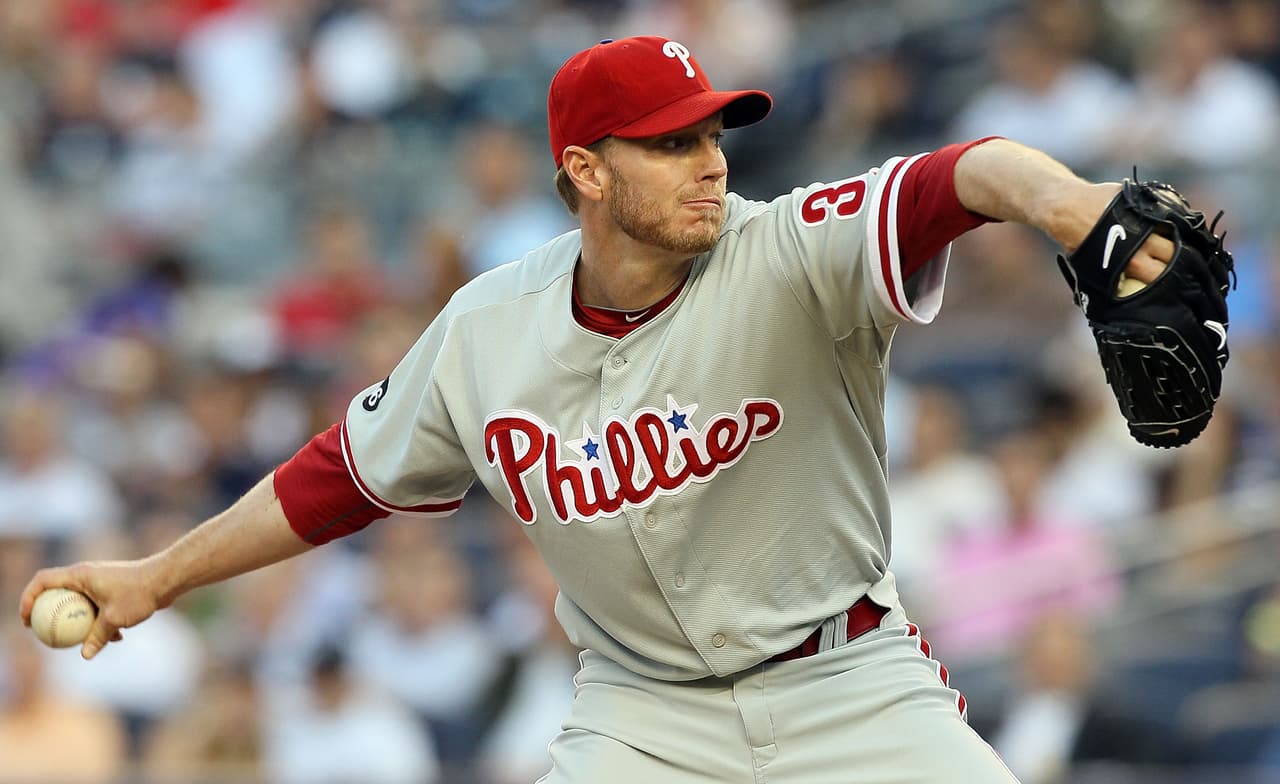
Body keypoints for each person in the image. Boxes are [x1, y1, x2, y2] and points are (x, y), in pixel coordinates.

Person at [20, 35, 1179, 783]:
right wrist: (154, 578)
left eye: (712, 134)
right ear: (584, 170)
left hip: (847, 687)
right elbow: (338, 477)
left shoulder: (783, 249)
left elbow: (953, 175)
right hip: (641, 720)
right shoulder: (488, 327)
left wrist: (1068, 205)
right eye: (670, 143)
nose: (709, 163)